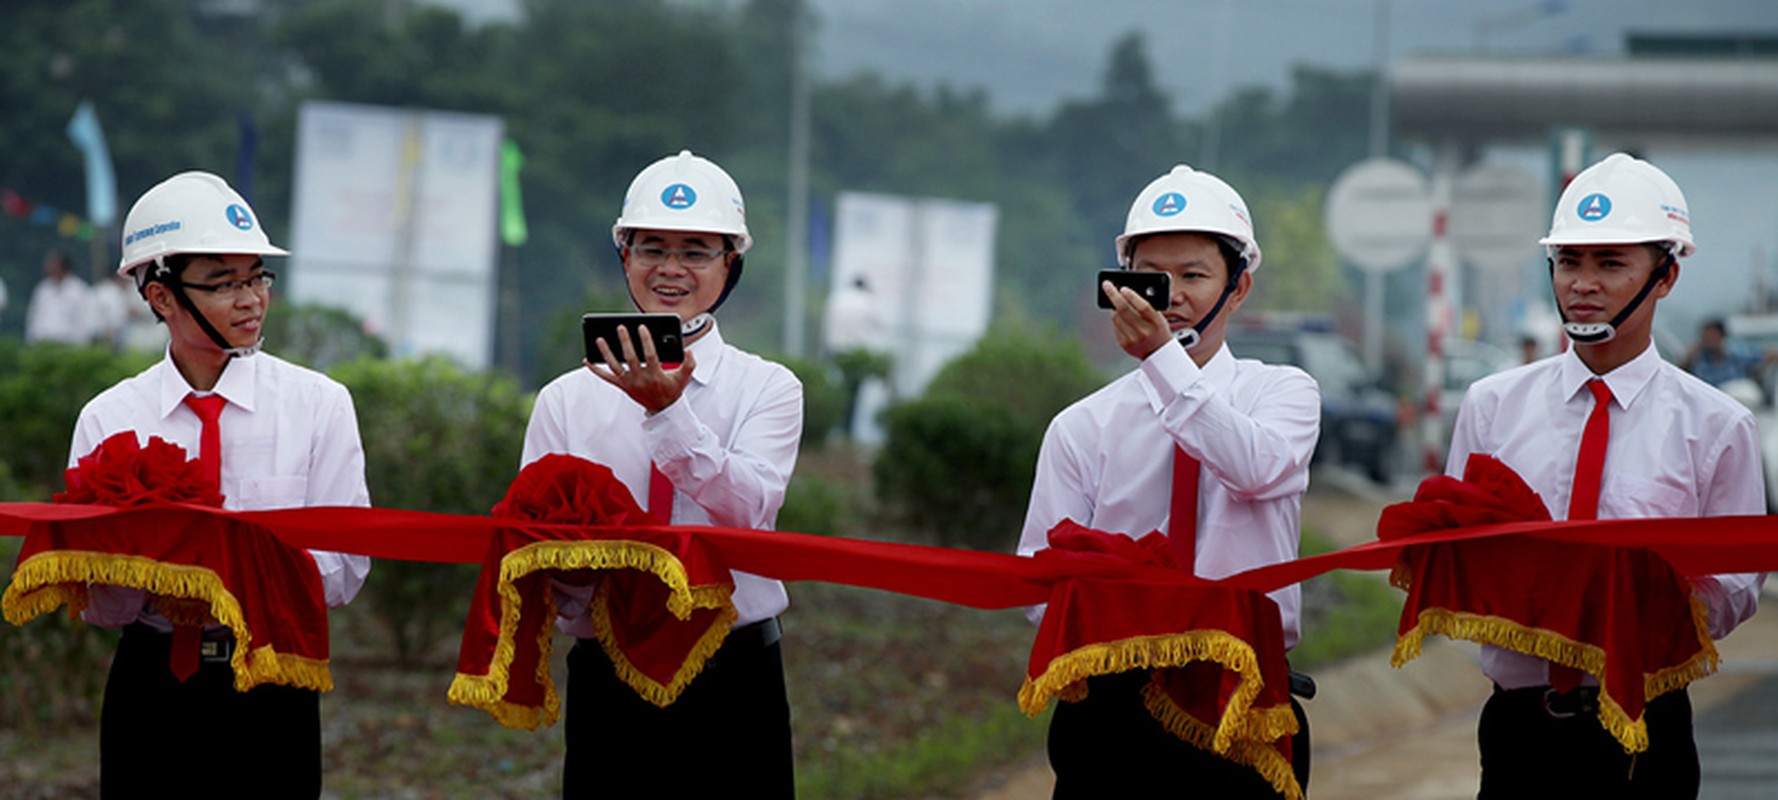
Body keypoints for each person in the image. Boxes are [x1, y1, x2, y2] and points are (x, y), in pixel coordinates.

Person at [1444, 152, 1765, 798]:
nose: (1583, 283)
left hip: (1647, 727)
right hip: (1519, 730)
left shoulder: (1718, 426)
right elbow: (1457, 560)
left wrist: (1633, 596)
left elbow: (1736, 589)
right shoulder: (1490, 406)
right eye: (1569, 262)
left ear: (1665, 276)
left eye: (1611, 264)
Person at [1017, 164, 1320, 797]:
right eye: (1155, 278)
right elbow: (1037, 589)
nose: (1173, 297)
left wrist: (1162, 363)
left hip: (1241, 693)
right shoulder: (1082, 425)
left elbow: (1256, 469)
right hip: (1114, 706)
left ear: (1238, 290)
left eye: (1194, 276)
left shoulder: (1283, 393)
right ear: (1123, 286)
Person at [69, 171, 372, 796]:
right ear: (160, 297)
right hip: (151, 681)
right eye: (223, 283)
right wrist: (148, 577)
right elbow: (97, 604)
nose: (250, 300)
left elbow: (346, 568)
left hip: (272, 679)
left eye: (257, 277)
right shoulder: (108, 419)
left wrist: (229, 575)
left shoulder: (319, 405)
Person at [521, 150, 803, 798]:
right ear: (624, 257)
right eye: (652, 247)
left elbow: (751, 510)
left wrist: (669, 412)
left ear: (730, 265)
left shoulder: (769, 389)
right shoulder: (565, 399)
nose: (670, 269)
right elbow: (532, 549)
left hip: (735, 674)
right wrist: (567, 573)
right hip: (606, 676)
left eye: (696, 251)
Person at [25, 248, 93, 344]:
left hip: (69, 342)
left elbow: (84, 319)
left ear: (62, 266)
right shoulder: (43, 289)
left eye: (53, 263)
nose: (48, 267)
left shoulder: (78, 290)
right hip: (44, 342)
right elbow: (34, 317)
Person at [1681, 317, 1766, 389]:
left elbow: (1766, 355)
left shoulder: (1737, 355)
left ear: (1722, 336)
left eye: (1712, 336)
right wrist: (1690, 356)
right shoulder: (1698, 360)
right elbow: (1680, 374)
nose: (1709, 340)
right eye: (1706, 337)